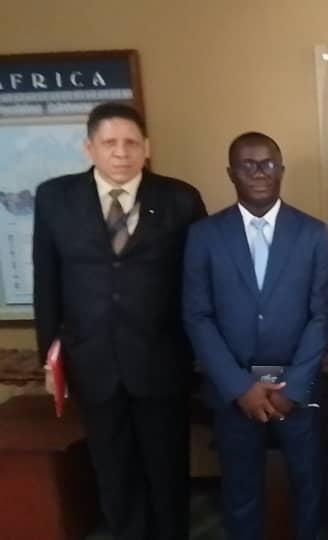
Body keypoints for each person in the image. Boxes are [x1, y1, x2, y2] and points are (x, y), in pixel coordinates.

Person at [33, 101, 206, 540]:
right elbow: (46, 281)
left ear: (146, 147)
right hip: (92, 362)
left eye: (131, 142)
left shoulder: (179, 199)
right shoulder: (55, 199)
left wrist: (200, 354)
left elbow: (200, 282)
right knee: (113, 473)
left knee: (167, 471)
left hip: (161, 361)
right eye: (109, 142)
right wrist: (49, 358)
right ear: (89, 148)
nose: (121, 152)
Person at [182, 132, 328, 540]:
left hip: (297, 389)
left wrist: (295, 385)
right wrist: (239, 387)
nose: (259, 172)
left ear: (280, 170)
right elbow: (197, 316)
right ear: (230, 173)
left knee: (309, 489)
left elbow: (322, 315)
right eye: (247, 165)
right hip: (235, 390)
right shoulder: (204, 235)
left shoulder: (312, 233)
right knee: (240, 493)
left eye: (267, 163)